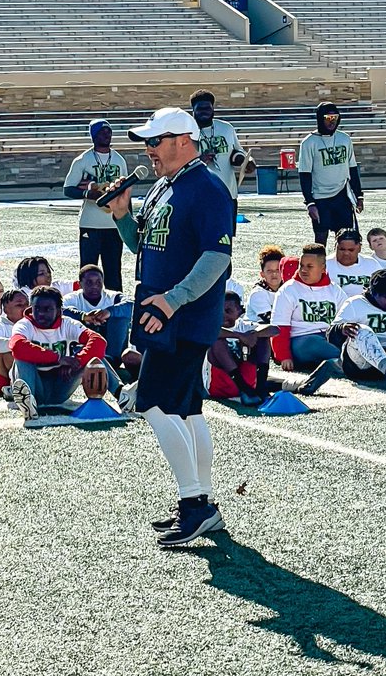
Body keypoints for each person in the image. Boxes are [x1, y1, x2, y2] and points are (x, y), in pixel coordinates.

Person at [104, 107, 234, 548]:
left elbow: (217, 258)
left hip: (182, 317)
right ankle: (203, 503)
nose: (148, 150)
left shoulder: (207, 187)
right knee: (187, 409)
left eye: (155, 141)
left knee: (153, 403)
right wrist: (122, 214)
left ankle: (194, 504)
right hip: (164, 314)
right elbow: (143, 244)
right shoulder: (166, 185)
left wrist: (173, 300)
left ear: (183, 140)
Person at [8, 286, 110, 419]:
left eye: (47, 309)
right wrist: (57, 358)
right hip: (34, 384)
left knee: (95, 359)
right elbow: (17, 346)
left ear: (59, 311)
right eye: (36, 308)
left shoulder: (67, 323)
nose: (41, 314)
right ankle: (28, 402)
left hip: (60, 385)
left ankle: (122, 394)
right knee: (21, 356)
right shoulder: (24, 324)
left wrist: (76, 361)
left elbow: (98, 341)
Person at [269, 243, 351, 392]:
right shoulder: (288, 290)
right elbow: (279, 326)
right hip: (301, 340)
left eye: (309, 266)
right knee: (314, 343)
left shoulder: (334, 290)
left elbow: (348, 317)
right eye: (301, 265)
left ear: (323, 268)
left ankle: (343, 362)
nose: (303, 270)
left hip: (329, 337)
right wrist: (283, 356)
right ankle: (350, 364)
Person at [63, 119, 127, 290]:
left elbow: (125, 191)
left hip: (113, 224)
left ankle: (116, 302)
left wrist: (127, 219)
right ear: (93, 136)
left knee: (113, 270)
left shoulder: (119, 160)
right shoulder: (83, 160)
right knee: (88, 270)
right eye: (102, 132)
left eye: (109, 132)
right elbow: (68, 189)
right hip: (90, 224)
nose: (106, 135)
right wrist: (87, 194)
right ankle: (85, 301)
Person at [298, 102, 363, 248]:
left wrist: (359, 195)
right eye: (328, 118)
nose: (332, 121)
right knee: (321, 238)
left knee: (346, 238)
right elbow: (304, 174)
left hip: (342, 195)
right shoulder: (309, 143)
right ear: (320, 118)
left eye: (335, 118)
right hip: (320, 198)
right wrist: (310, 203)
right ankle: (320, 263)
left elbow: (352, 169)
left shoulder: (345, 139)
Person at [190, 90, 248, 222]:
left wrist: (244, 160)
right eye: (200, 109)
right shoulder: (186, 133)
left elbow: (238, 151)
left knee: (227, 233)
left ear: (213, 109)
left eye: (207, 108)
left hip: (227, 194)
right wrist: (199, 160)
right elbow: (178, 163)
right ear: (193, 110)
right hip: (199, 196)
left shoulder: (226, 128)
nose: (204, 112)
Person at [207, 291, 274, 405]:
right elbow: (211, 332)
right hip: (219, 387)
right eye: (219, 310)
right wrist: (240, 336)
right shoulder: (211, 325)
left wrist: (254, 334)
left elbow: (274, 329)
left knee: (262, 337)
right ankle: (244, 389)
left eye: (228, 311)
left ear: (239, 311)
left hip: (249, 383)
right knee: (217, 341)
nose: (223, 315)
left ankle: (261, 386)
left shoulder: (244, 325)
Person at [63, 263, 132, 364]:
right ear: (80, 284)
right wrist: (83, 316)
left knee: (121, 317)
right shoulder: (72, 298)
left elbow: (131, 305)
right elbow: (59, 309)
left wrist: (109, 312)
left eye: (98, 282)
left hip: (111, 348)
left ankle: (112, 358)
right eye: (89, 282)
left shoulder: (112, 297)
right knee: (65, 319)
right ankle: (79, 354)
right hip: (84, 348)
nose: (94, 286)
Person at [245, 245, 285, 325]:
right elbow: (271, 320)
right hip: (256, 330)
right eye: (269, 271)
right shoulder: (257, 293)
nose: (274, 274)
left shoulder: (287, 289)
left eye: (278, 270)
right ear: (262, 274)